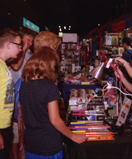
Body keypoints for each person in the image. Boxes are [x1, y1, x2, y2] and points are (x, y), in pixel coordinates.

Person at [19, 46, 87, 159]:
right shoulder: (49, 87)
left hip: (31, 142)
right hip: (49, 143)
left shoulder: (24, 84)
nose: (54, 69)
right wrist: (72, 136)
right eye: (53, 66)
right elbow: (55, 119)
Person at [9, 27, 35, 159]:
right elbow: (15, 66)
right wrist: (23, 49)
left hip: (24, 98)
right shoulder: (16, 52)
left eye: (31, 41)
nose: (30, 43)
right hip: (14, 98)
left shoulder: (29, 53)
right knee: (15, 136)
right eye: (28, 40)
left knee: (21, 134)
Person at [0, 28, 22, 159]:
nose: (21, 48)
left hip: (5, 125)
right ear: (8, 44)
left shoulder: (4, 65)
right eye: (18, 45)